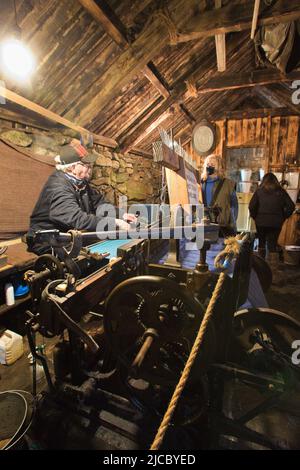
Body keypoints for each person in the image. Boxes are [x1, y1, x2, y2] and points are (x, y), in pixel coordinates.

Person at [26, 142, 136, 254]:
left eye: (89, 165)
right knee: (99, 257)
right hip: (48, 242)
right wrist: (114, 222)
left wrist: (122, 215)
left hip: (68, 237)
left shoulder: (80, 183)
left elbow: (99, 203)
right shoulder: (58, 187)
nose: (89, 169)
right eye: (85, 165)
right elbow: (76, 218)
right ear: (72, 167)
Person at [249, 172, 295, 282]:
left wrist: (255, 217)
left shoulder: (259, 191)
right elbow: (291, 206)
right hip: (276, 223)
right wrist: (283, 216)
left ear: (264, 181)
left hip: (261, 222)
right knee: (272, 246)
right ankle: (272, 274)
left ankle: (260, 272)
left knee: (261, 244)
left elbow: (251, 206)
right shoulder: (281, 192)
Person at [200, 154, 238, 237]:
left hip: (222, 228)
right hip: (203, 226)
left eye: (213, 165)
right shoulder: (200, 183)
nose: (209, 166)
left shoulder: (229, 184)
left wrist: (232, 223)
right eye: (207, 164)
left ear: (220, 167)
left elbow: (234, 206)